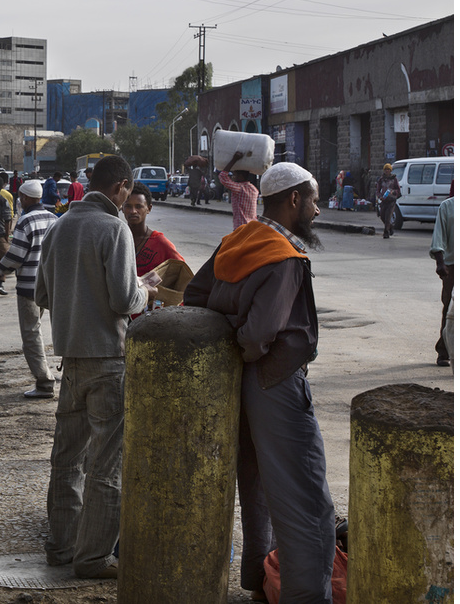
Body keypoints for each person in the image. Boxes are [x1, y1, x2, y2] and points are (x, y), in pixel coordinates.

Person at [182, 162, 336, 604]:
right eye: (314, 200)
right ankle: (307, 596)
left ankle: (259, 582)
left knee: (258, 486)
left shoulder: (238, 240)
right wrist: (246, 344)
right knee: (307, 499)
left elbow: (194, 298)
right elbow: (258, 335)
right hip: (276, 382)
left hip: (239, 382)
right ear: (293, 200)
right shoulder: (284, 257)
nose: (319, 210)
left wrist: (233, 344)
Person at [34, 154, 146, 579]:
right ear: (120, 187)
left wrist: (76, 299)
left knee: (67, 458)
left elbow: (42, 295)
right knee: (106, 464)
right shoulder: (113, 227)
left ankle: (61, 547)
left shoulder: (59, 225)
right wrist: (146, 292)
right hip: (109, 359)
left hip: (71, 358)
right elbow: (123, 300)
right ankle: (93, 557)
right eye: (127, 194)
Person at [0, 178, 58, 398]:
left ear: (26, 198)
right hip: (52, 285)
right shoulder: (54, 219)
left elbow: (16, 256)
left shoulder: (26, 221)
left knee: (31, 333)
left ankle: (45, 381)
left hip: (29, 286)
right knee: (51, 330)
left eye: (21, 197)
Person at [122, 183, 183, 276]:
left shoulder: (161, 243)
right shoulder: (116, 239)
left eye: (138, 206)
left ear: (149, 208)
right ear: (122, 208)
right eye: (128, 206)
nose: (133, 211)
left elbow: (182, 272)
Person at [429, 195, 454, 367]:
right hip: (453, 265)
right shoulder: (448, 207)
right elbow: (439, 236)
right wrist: (440, 262)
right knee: (450, 310)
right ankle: (443, 351)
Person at [219, 151, 260, 229]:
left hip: (241, 226)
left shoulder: (239, 189)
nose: (233, 177)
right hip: (252, 226)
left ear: (240, 176)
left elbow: (223, 176)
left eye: (235, 175)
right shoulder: (254, 189)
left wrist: (234, 160)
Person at [374, 163, 402, 239]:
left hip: (391, 201)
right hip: (384, 200)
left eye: (388, 169)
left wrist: (393, 192)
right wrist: (380, 196)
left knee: (387, 217)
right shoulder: (381, 179)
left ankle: (386, 233)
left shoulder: (394, 179)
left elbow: (398, 190)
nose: (387, 171)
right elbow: (377, 190)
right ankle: (390, 227)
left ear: (390, 170)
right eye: (386, 169)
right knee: (382, 216)